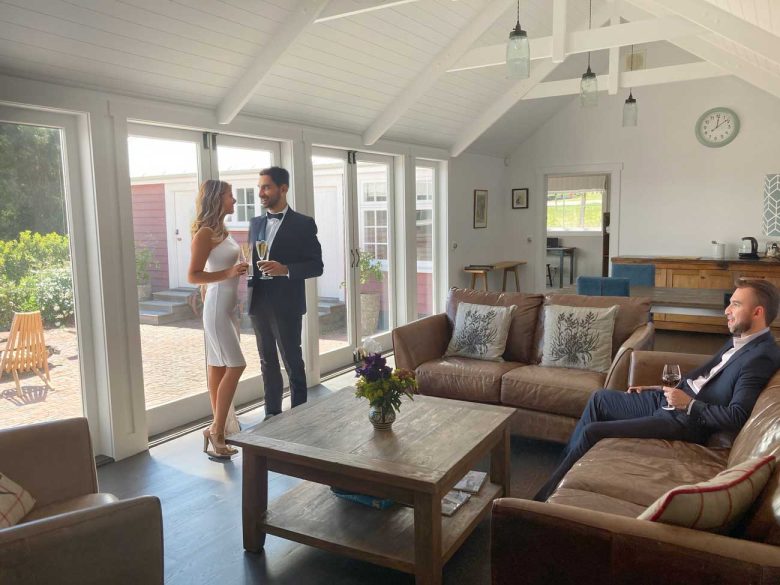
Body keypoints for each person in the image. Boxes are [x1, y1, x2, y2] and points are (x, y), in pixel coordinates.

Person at [534, 278, 780, 501]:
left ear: (758, 312)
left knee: (592, 432)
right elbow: (709, 378)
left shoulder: (760, 357)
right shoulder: (743, 337)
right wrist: (663, 388)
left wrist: (688, 403)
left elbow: (737, 415)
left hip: (684, 420)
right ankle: (564, 468)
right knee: (599, 399)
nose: (727, 310)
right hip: (673, 399)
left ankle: (544, 498)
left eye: (735, 304)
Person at [248, 166, 323, 418]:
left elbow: (316, 266)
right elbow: (255, 259)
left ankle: (300, 416)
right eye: (259, 187)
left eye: (266, 187)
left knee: (292, 361)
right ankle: (272, 415)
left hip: (287, 304)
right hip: (258, 302)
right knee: (267, 362)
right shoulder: (255, 222)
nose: (261, 192)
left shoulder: (303, 224)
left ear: (283, 188)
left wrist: (285, 270)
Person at [188, 180, 248, 459]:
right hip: (216, 309)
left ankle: (218, 427)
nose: (234, 200)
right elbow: (193, 275)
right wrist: (227, 275)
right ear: (217, 199)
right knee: (236, 365)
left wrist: (236, 273)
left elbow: (221, 269)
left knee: (217, 367)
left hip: (225, 308)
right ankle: (217, 430)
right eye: (230, 196)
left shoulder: (223, 231)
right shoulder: (205, 233)